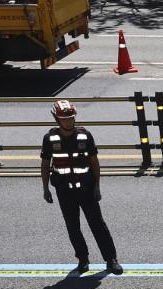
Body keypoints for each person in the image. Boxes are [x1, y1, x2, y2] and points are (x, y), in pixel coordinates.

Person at [40, 100, 123, 275]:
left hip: (86, 188)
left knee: (98, 224)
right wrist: (45, 188)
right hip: (64, 191)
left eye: (71, 118)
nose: (69, 121)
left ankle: (111, 259)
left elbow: (94, 162)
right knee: (73, 226)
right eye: (65, 119)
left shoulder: (85, 136)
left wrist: (98, 186)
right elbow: (45, 164)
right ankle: (83, 259)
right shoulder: (50, 139)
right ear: (56, 119)